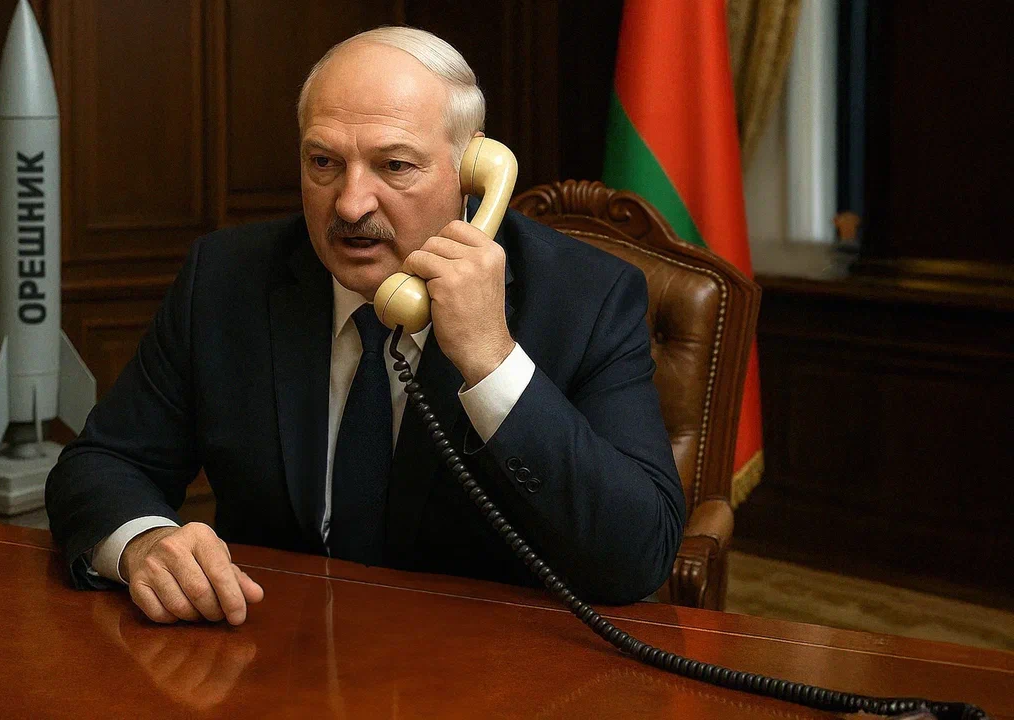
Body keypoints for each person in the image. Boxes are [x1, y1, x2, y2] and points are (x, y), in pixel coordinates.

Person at [45, 26, 684, 626]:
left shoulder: (587, 298)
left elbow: (636, 556)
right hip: (271, 651)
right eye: (324, 162)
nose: (351, 205)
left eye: (395, 165)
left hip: (486, 665)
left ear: (473, 172)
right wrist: (144, 544)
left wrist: (492, 361)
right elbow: (102, 463)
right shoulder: (225, 279)